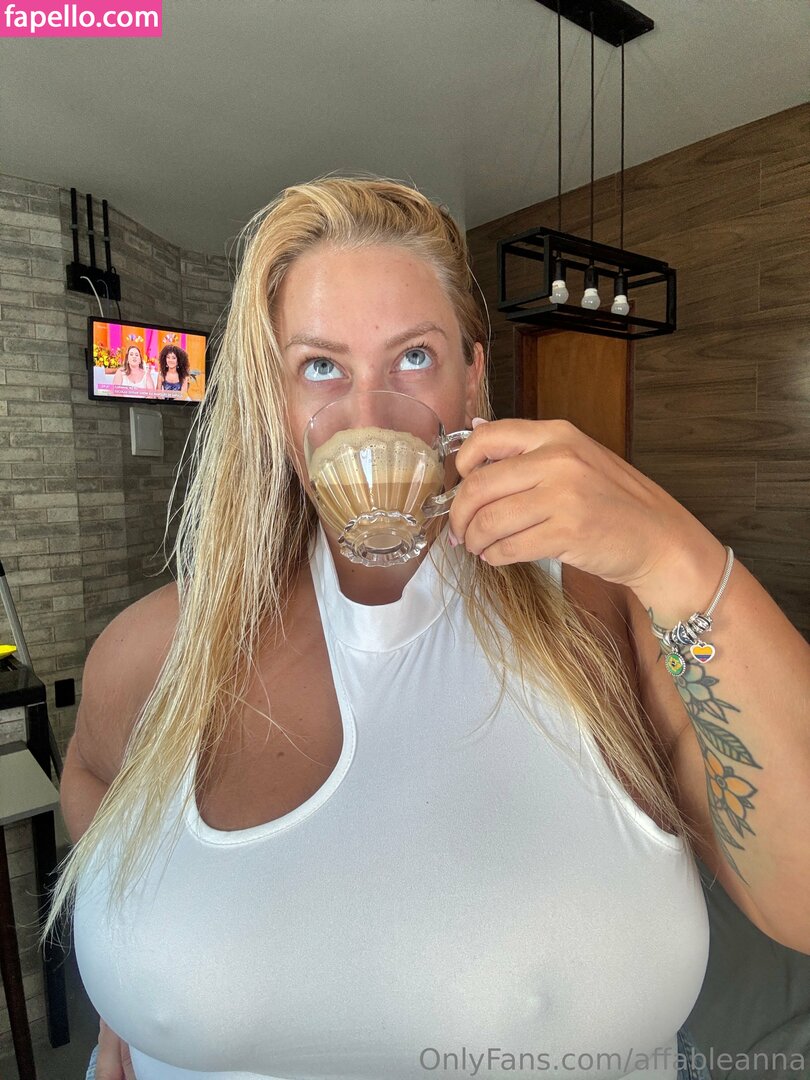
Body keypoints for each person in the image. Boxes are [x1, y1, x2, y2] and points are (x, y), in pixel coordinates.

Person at [50, 173, 760, 1080]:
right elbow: (92, 777)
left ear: (472, 379)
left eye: (414, 358)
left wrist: (679, 554)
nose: (370, 416)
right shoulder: (157, 646)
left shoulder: (608, 614)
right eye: (321, 367)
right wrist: (129, 972)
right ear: (275, 404)